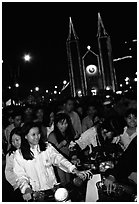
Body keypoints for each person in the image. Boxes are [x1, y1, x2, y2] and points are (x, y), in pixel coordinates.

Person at [13, 122, 87, 201]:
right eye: (33, 135)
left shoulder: (47, 147)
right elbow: (20, 176)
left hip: (53, 190)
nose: (37, 137)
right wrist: (27, 189)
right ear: (25, 136)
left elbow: (60, 159)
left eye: (38, 134)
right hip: (36, 194)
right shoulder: (19, 155)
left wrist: (75, 170)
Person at [48, 113, 75, 185]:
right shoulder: (52, 135)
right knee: (63, 183)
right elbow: (51, 151)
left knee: (69, 182)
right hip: (58, 164)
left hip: (67, 160)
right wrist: (62, 144)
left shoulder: (67, 134)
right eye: (62, 124)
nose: (64, 126)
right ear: (56, 124)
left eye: (66, 123)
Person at [5, 127, 23, 201]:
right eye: (12, 141)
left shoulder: (29, 151)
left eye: (17, 140)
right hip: (18, 185)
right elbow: (8, 171)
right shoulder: (11, 155)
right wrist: (17, 183)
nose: (15, 143)